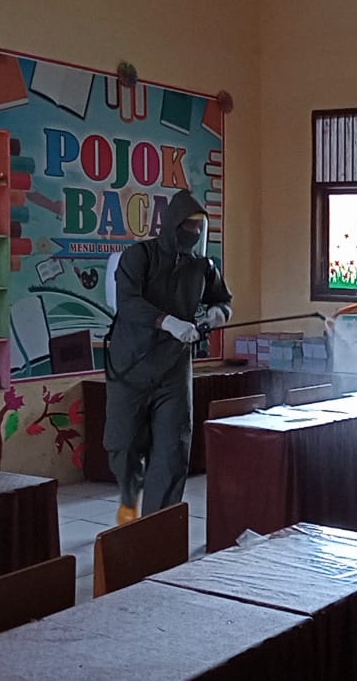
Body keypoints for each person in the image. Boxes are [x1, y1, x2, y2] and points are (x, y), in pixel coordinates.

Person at [104, 189, 232, 525]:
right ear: (172, 224)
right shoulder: (139, 257)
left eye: (199, 227)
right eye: (188, 226)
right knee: (123, 444)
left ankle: (156, 526)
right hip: (130, 366)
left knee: (173, 449)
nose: (194, 233)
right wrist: (168, 322)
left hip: (174, 369)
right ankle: (129, 501)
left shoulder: (202, 267)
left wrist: (216, 314)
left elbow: (224, 300)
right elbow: (128, 303)